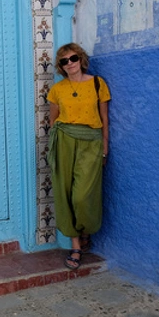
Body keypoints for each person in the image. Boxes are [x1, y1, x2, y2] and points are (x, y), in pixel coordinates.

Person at [47, 43, 111, 270]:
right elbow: (53, 121)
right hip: (65, 141)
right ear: (61, 66)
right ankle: (75, 245)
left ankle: (84, 230)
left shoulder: (97, 84)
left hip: (91, 142)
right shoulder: (57, 90)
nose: (69, 63)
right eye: (64, 61)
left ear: (80, 59)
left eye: (72, 58)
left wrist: (104, 146)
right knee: (65, 193)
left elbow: (104, 119)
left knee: (83, 195)